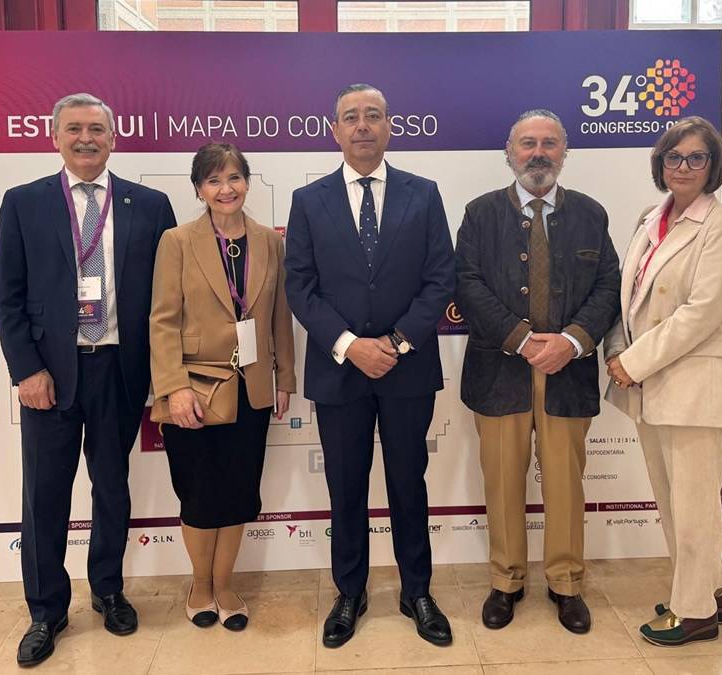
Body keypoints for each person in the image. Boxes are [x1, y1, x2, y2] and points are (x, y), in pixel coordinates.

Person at [0, 92, 177, 667]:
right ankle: (46, 611)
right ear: (55, 137)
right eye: (74, 128)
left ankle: (108, 590)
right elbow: (8, 297)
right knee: (44, 496)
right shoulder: (23, 203)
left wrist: (165, 372)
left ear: (113, 138)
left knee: (112, 487)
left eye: (97, 129)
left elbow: (169, 297)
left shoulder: (151, 205)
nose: (86, 139)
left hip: (119, 369)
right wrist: (27, 369)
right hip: (50, 374)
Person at [284, 84, 456, 648]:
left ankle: (417, 591)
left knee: (409, 483)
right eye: (351, 117)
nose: (362, 126)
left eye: (373, 116)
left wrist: (396, 343)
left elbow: (440, 280)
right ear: (335, 130)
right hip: (339, 370)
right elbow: (300, 287)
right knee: (346, 486)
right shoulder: (308, 201)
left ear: (388, 127)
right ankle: (350, 592)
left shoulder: (423, 194)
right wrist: (350, 344)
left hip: (408, 370)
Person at [454, 109, 621, 634]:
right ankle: (506, 581)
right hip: (500, 371)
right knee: (504, 482)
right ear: (510, 154)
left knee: (566, 484)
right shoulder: (480, 214)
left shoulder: (591, 214)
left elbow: (609, 287)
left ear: (564, 153)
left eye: (549, 143)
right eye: (528, 144)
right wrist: (524, 340)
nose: (538, 153)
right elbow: (467, 284)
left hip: (568, 372)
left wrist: (571, 341)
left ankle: (566, 583)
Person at [603, 116, 722, 647]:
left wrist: (634, 361)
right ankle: (715, 590)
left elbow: (701, 313)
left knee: (693, 508)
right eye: (674, 157)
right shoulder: (650, 218)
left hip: (691, 386)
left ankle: (694, 613)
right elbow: (629, 298)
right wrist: (618, 353)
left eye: (696, 158)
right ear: (660, 163)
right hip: (649, 384)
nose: (683, 167)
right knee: (673, 501)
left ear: (714, 166)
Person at [148, 142, 296, 632]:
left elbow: (279, 317)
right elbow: (162, 321)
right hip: (193, 390)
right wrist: (173, 387)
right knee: (198, 494)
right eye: (213, 180)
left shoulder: (270, 241)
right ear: (199, 189)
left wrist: (284, 377)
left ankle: (226, 584)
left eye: (233, 178)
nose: (225, 189)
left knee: (237, 493)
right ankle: (200, 585)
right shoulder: (177, 241)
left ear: (247, 183)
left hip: (251, 388)